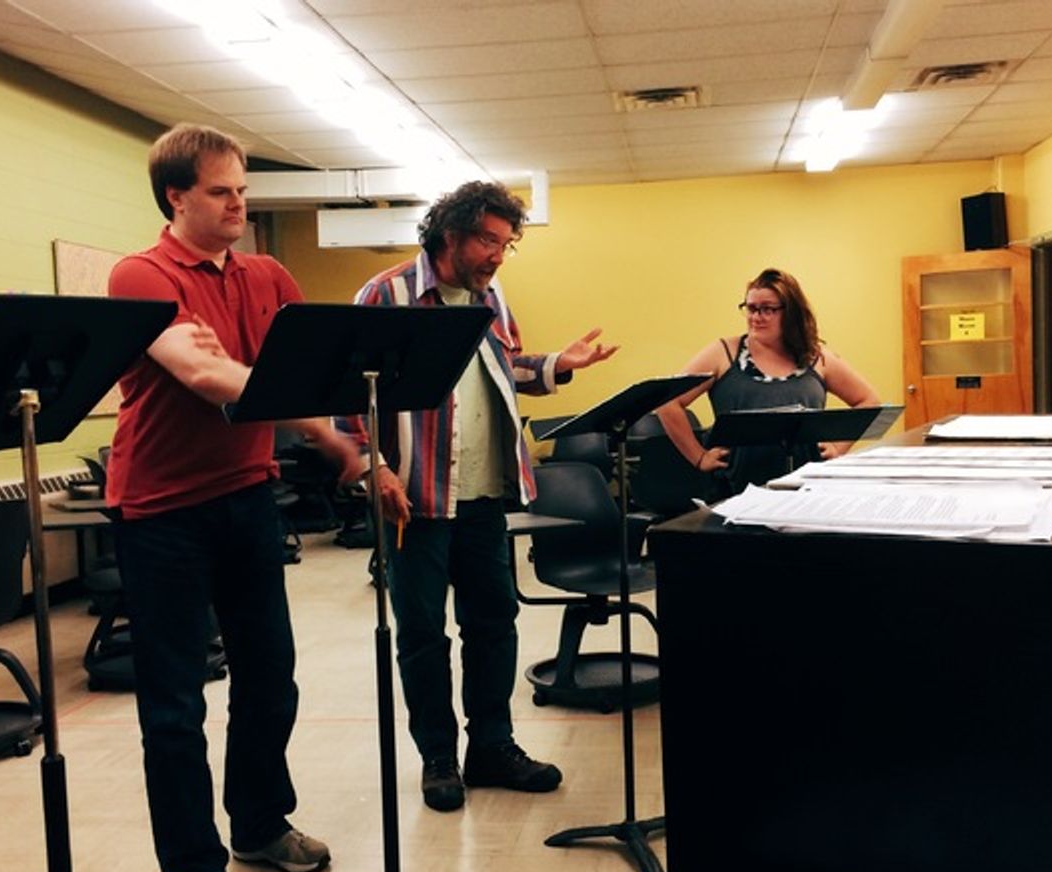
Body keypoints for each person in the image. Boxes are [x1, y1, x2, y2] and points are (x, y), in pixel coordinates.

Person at [106, 123, 363, 872]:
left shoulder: (267, 274)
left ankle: (258, 827)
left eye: (244, 191)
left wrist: (339, 444)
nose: (238, 206)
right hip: (160, 510)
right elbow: (202, 375)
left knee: (270, 677)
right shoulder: (140, 275)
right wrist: (288, 394)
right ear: (176, 195)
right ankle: (195, 869)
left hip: (247, 496)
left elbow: (295, 375)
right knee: (176, 701)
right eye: (221, 192)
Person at [341, 181, 617, 813]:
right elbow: (348, 396)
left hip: (486, 492)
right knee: (422, 634)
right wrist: (373, 468)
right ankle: (438, 757)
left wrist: (558, 364)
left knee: (492, 624)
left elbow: (507, 367)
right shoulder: (386, 296)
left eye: (506, 243)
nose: (497, 254)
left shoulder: (490, 299)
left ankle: (492, 746)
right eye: (489, 240)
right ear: (450, 234)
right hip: (414, 497)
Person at [656, 267, 880, 495]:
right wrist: (699, 457)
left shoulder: (817, 357)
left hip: (806, 489)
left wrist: (838, 447)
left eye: (767, 309)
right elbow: (667, 402)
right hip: (737, 491)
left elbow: (869, 400)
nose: (756, 317)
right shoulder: (723, 353)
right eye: (751, 308)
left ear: (790, 312)